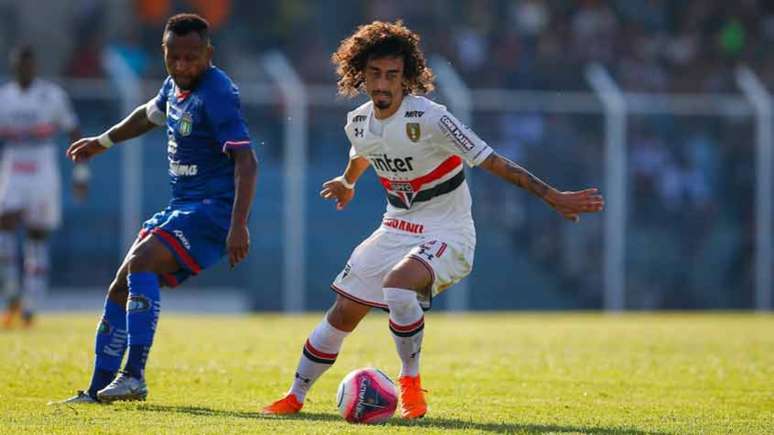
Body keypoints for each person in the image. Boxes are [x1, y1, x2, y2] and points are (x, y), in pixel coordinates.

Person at [262, 20, 604, 419]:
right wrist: (347, 181)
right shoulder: (357, 121)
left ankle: (410, 383)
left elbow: (492, 160)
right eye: (374, 74)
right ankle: (295, 396)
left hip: (448, 231)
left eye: (392, 75)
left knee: (397, 287)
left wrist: (552, 196)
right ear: (361, 75)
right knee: (342, 312)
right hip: (394, 227)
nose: (382, 84)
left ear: (406, 78)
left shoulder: (431, 118)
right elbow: (364, 151)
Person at [52, 13, 258, 404]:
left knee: (142, 261)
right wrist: (103, 141)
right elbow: (149, 115)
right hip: (183, 206)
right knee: (121, 284)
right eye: (173, 56)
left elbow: (247, 163)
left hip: (213, 211)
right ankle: (97, 390)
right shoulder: (174, 85)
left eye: (191, 57)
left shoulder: (217, 93)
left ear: (208, 53)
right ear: (164, 52)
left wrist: (239, 226)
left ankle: (134, 376)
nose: (182, 66)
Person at [0, 45, 87, 328]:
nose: (24, 69)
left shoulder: (52, 97)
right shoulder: (5, 98)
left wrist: (81, 174)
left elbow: (74, 131)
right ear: (14, 67)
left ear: (35, 67)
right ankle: (11, 292)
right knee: (6, 228)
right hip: (14, 166)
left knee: (37, 237)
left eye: (29, 64)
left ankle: (31, 304)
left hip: (42, 170)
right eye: (19, 65)